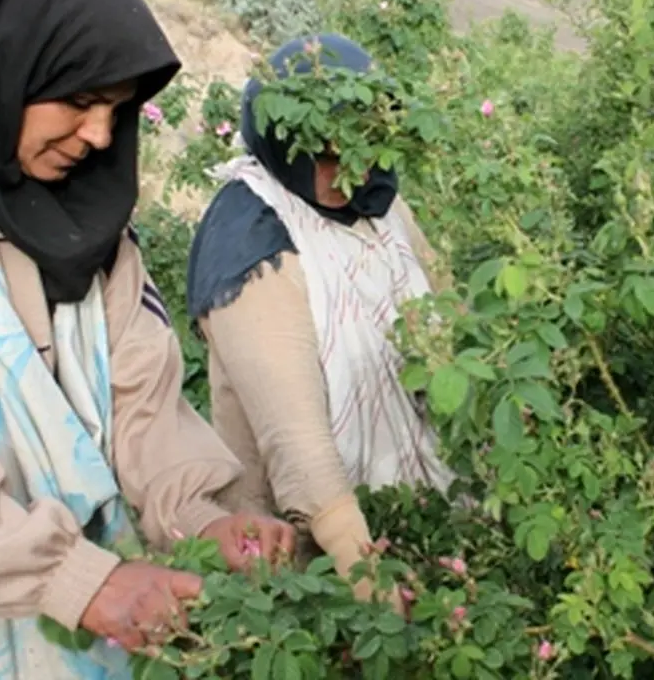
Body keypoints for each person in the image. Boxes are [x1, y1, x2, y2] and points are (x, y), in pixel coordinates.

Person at [0, 0, 295, 678]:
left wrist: (206, 521)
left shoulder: (98, 233)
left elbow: (143, 408)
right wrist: (71, 579)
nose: (98, 136)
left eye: (115, 111)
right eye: (80, 101)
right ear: (6, 75)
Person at [186, 35, 455, 607]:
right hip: (311, 561)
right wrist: (371, 584)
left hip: (416, 516)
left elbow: (447, 331)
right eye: (324, 157)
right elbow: (299, 448)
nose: (344, 174)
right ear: (284, 144)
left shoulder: (380, 207)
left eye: (358, 152)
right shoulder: (253, 242)